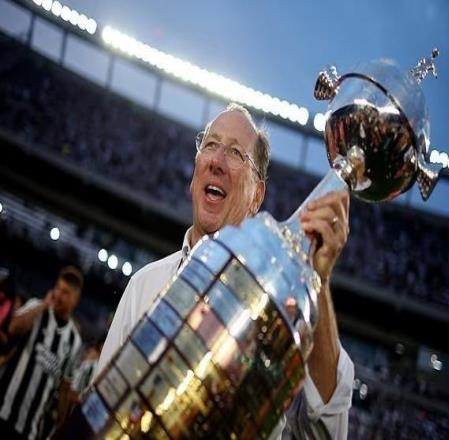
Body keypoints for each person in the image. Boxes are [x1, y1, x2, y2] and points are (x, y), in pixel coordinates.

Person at [96, 103, 354, 439]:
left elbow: (325, 430)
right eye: (210, 145)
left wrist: (319, 279)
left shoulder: (282, 315)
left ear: (257, 195)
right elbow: (97, 413)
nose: (216, 161)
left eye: (235, 152)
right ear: (195, 173)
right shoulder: (144, 285)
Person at [0, 266, 83, 440]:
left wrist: (61, 424)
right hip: (3, 409)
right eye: (57, 288)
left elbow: (64, 387)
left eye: (65, 292)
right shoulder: (36, 308)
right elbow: (13, 328)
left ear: (75, 300)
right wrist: (43, 306)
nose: (58, 295)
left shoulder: (74, 341)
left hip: (29, 428)